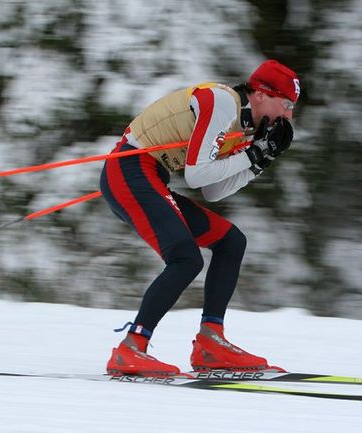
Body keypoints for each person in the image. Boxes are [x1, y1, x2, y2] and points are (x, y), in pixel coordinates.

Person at [100, 59, 299, 376]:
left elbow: (214, 189)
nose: (288, 115)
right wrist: (252, 154)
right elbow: (197, 175)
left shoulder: (242, 125)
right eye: (286, 104)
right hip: (129, 170)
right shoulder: (222, 103)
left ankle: (211, 342)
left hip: (150, 176)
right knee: (185, 258)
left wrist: (261, 160)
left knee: (231, 241)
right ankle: (131, 349)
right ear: (261, 94)